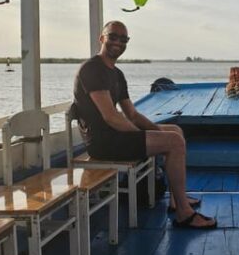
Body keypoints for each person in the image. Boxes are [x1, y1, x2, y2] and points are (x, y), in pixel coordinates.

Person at [74, 20, 216, 229]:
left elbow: (131, 114)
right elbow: (111, 117)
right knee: (174, 143)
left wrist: (156, 131)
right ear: (102, 38)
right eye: (113, 36)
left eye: (124, 39)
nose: (118, 42)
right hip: (103, 143)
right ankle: (184, 213)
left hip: (115, 135)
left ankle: (176, 200)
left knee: (175, 131)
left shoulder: (116, 74)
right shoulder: (92, 69)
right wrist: (142, 136)